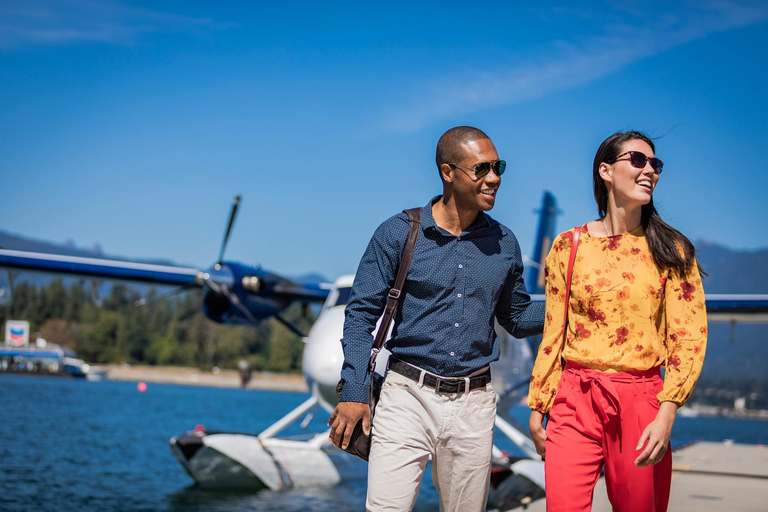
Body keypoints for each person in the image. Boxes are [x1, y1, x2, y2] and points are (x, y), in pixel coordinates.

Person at [329, 126, 545, 512]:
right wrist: (355, 391)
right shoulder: (398, 233)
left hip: (474, 404)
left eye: (498, 167)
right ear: (448, 172)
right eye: (481, 169)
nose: (494, 177)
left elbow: (515, 317)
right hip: (405, 395)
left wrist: (575, 305)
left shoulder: (505, 243)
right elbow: (361, 314)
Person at [528, 131, 707, 512]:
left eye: (655, 165)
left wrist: (667, 411)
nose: (650, 171)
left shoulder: (673, 251)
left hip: (641, 402)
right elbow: (553, 332)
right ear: (605, 171)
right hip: (573, 400)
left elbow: (688, 337)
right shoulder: (567, 246)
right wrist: (538, 404)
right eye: (638, 160)